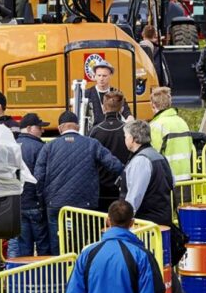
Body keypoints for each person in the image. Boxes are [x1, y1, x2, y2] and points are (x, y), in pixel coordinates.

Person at [119, 119, 196, 293]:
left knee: (152, 265)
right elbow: (172, 183)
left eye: (126, 136)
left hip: (146, 220)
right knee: (159, 264)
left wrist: (124, 219)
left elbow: (134, 196)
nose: (124, 139)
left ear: (133, 139)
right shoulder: (159, 156)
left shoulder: (140, 161)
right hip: (162, 217)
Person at [36, 112, 125, 253]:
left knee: (58, 245)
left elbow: (38, 178)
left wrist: (42, 202)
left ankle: (61, 271)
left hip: (55, 205)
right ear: (77, 127)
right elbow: (116, 166)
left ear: (60, 128)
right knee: (82, 243)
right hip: (84, 204)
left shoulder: (48, 147)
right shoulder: (92, 144)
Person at [10, 113, 50, 257]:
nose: (42, 131)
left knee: (23, 248)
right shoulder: (40, 147)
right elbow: (43, 177)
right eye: (39, 127)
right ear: (29, 128)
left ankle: (24, 278)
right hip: (35, 203)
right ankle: (44, 278)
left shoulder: (11, 146)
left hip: (16, 205)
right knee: (43, 246)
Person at [94, 91, 135, 208]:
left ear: (103, 108)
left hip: (101, 188)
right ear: (122, 109)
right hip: (124, 185)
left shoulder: (95, 131)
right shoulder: (129, 131)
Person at [84, 62, 129, 128]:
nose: (101, 79)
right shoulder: (87, 94)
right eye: (99, 75)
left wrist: (129, 118)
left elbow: (126, 111)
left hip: (113, 129)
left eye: (104, 76)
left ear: (110, 75)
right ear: (95, 76)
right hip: (95, 131)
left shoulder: (117, 93)